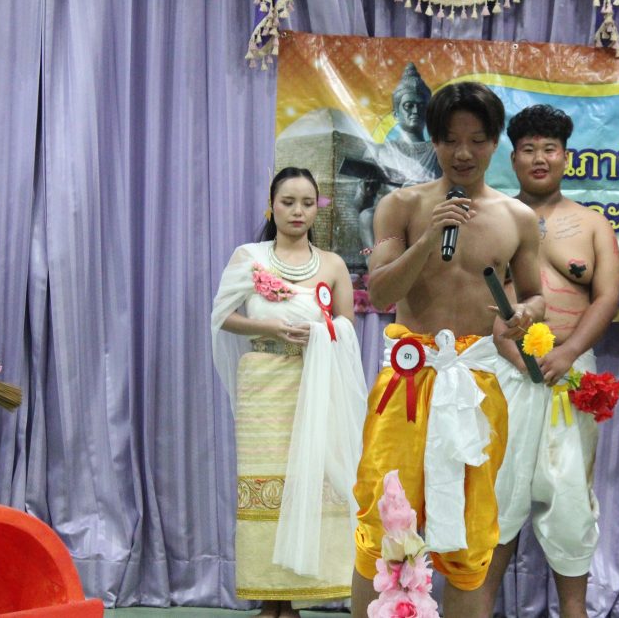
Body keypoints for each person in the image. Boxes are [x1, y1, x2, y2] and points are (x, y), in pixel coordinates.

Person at [350, 82, 545, 618]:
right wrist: (426, 240)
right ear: (433, 141)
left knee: (471, 535)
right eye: (451, 140)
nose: (463, 153)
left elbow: (535, 295)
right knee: (383, 522)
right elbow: (381, 292)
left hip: (477, 386)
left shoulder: (517, 218)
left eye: (477, 140)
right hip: (407, 385)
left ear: (495, 143)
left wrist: (525, 314)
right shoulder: (400, 205)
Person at [477, 105, 619, 618]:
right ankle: (479, 610)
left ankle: (574, 612)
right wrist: (509, 349)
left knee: (570, 499)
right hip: (506, 370)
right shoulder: (494, 218)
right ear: (512, 158)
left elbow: (606, 297)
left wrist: (569, 352)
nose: (540, 158)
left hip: (572, 372)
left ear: (566, 157)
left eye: (550, 149)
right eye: (529, 149)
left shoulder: (592, 224)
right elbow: (482, 295)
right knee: (498, 497)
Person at [211, 167, 367, 618]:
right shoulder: (250, 257)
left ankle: (297, 598)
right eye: (288, 202)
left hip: (316, 384)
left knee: (309, 484)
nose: (298, 211)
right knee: (265, 486)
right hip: (263, 382)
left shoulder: (333, 264)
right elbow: (223, 316)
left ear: (317, 209)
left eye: (307, 203)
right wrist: (271, 327)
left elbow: (346, 326)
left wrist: (319, 333)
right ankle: (269, 600)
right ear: (272, 206)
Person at [353, 62, 439, 248]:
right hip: (391, 215)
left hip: (429, 215)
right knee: (367, 216)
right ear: (396, 113)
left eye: (421, 106)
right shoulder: (379, 151)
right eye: (408, 105)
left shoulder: (439, 150)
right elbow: (359, 205)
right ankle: (377, 262)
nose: (415, 111)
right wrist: (366, 191)